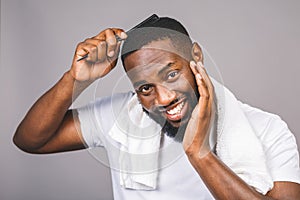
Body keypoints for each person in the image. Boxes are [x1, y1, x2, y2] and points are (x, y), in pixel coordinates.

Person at [13, 14, 300, 199]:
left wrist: (199, 154)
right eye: (145, 88)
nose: (163, 99)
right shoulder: (121, 117)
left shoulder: (267, 130)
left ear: (195, 56)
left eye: (171, 74)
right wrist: (74, 80)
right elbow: (30, 140)